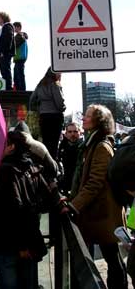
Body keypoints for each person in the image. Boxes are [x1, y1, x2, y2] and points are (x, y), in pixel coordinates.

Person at [63, 104, 127, 289]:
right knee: (111, 256)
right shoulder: (91, 143)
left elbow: (94, 183)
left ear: (98, 121)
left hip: (104, 214)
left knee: (113, 259)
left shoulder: (100, 146)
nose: (83, 118)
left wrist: (74, 205)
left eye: (88, 116)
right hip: (98, 213)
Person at [0, 130, 47, 289]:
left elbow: (14, 209)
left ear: (11, 147)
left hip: (9, 243)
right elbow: (46, 198)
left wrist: (21, 246)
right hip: (29, 240)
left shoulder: (6, 171)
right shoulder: (31, 167)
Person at [29, 67, 66, 159]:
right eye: (59, 73)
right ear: (54, 73)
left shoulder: (40, 85)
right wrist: (63, 107)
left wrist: (40, 109)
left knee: (46, 142)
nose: (60, 75)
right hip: (55, 117)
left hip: (43, 117)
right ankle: (53, 166)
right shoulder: (55, 84)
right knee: (54, 144)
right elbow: (60, 103)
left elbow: (31, 101)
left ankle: (45, 163)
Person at [57, 122, 84, 194]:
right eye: (70, 132)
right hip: (65, 183)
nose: (72, 134)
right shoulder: (62, 146)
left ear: (80, 133)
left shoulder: (84, 147)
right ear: (66, 134)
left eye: (75, 131)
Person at [0, 11, 15, 90]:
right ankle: (7, 87)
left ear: (3, 18)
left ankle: (8, 88)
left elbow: (8, 40)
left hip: (5, 54)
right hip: (3, 54)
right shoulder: (4, 27)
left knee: (6, 70)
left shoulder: (7, 26)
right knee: (3, 70)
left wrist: (3, 52)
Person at [12, 21, 28, 91]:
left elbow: (14, 45)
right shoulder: (18, 36)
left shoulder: (21, 36)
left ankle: (21, 90)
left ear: (18, 27)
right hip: (17, 59)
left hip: (20, 58)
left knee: (20, 75)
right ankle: (17, 89)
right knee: (16, 76)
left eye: (14, 27)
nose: (13, 29)